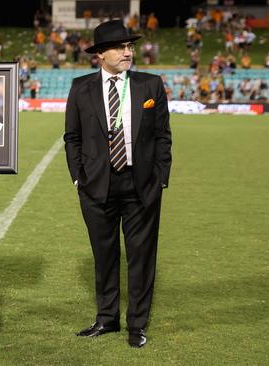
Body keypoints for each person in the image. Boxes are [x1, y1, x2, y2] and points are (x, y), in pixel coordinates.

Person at [63, 19, 172, 349]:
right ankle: (106, 318)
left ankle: (137, 324)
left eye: (130, 46)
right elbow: (72, 137)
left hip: (141, 186)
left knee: (141, 258)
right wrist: (79, 176)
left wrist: (160, 177)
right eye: (120, 47)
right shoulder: (80, 88)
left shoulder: (150, 85)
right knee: (104, 256)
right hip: (97, 186)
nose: (129, 52)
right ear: (100, 54)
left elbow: (163, 135)